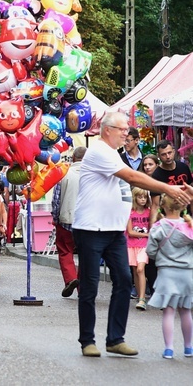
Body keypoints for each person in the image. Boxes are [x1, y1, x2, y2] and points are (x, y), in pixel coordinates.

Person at [72, 112, 192, 358]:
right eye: (122, 129)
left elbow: (140, 181)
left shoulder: (113, 154)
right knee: (90, 286)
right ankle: (87, 341)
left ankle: (115, 339)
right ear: (108, 130)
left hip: (115, 231)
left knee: (124, 282)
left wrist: (174, 187)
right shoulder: (99, 151)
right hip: (91, 229)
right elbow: (133, 177)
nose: (126, 133)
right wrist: (168, 187)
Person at [146, 193, 193, 359]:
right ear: (183, 207)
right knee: (186, 311)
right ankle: (188, 347)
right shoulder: (190, 226)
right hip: (187, 272)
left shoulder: (159, 226)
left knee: (169, 311)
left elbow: (150, 251)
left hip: (167, 272)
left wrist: (160, 256)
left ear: (163, 206)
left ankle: (169, 348)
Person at [50, 146, 86, 298]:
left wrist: (55, 217)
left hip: (66, 219)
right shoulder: (93, 175)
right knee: (86, 255)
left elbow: (56, 200)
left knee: (65, 251)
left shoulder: (64, 174)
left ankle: (71, 278)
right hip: (87, 222)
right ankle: (83, 289)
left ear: (72, 158)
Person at [150, 140, 192, 225]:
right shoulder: (156, 175)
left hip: (186, 215)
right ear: (158, 156)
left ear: (174, 151)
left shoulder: (183, 167)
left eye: (169, 153)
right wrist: (152, 228)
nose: (168, 156)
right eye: (163, 154)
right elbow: (155, 205)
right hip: (169, 218)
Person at [127, 188, 151, 311]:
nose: (142, 199)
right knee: (135, 270)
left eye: (145, 197)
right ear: (135, 198)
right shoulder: (130, 212)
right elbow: (130, 232)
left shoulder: (149, 212)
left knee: (141, 269)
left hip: (144, 246)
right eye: (140, 197)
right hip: (131, 245)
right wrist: (147, 234)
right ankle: (139, 294)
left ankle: (142, 299)